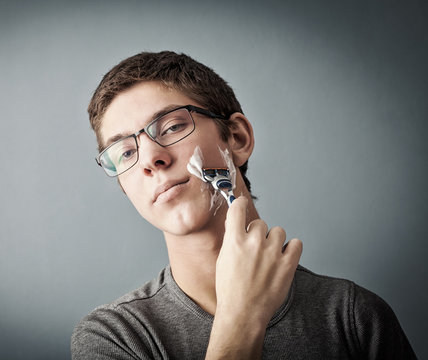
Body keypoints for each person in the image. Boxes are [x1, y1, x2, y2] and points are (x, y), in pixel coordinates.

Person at [71, 51, 416, 359]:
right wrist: (241, 319)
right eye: (126, 153)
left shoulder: (353, 317)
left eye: (173, 126)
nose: (150, 159)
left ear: (237, 138)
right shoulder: (114, 338)